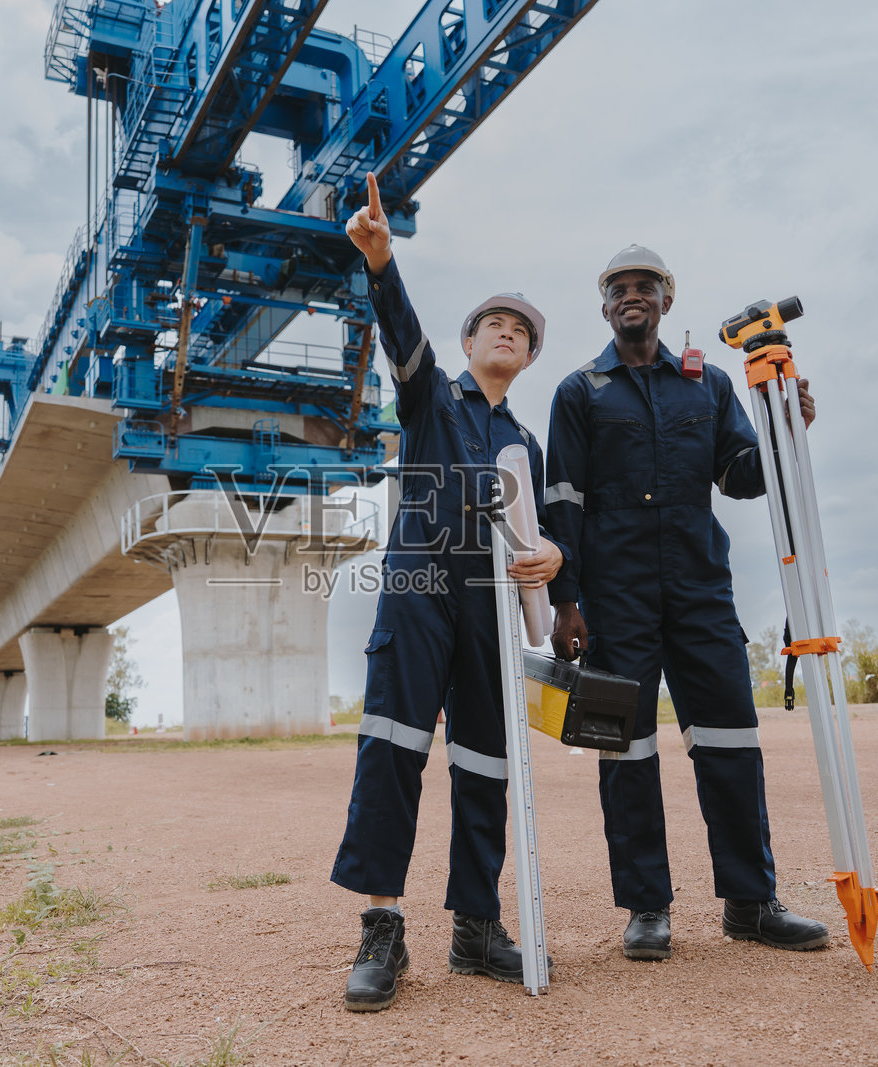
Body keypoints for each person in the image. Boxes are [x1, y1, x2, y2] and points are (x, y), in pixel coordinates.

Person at [544, 244, 828, 962]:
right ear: (604, 307)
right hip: (614, 599)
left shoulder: (710, 386)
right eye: (618, 289)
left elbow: (741, 477)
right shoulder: (579, 392)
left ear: (667, 301)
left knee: (731, 739)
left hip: (700, 590)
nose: (631, 297)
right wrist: (565, 603)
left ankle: (750, 902)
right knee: (625, 750)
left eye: (645, 286)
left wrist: (786, 429)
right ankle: (647, 907)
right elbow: (562, 502)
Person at [330, 173, 565, 1012]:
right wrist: (381, 264)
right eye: (494, 324)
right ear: (468, 344)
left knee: (486, 763)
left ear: (528, 358)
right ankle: (382, 928)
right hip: (421, 585)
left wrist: (552, 554)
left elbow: (546, 530)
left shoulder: (525, 442)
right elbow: (403, 335)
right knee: (393, 744)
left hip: (491, 608)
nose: (508, 332)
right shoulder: (432, 397)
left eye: (521, 331)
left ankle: (477, 926)